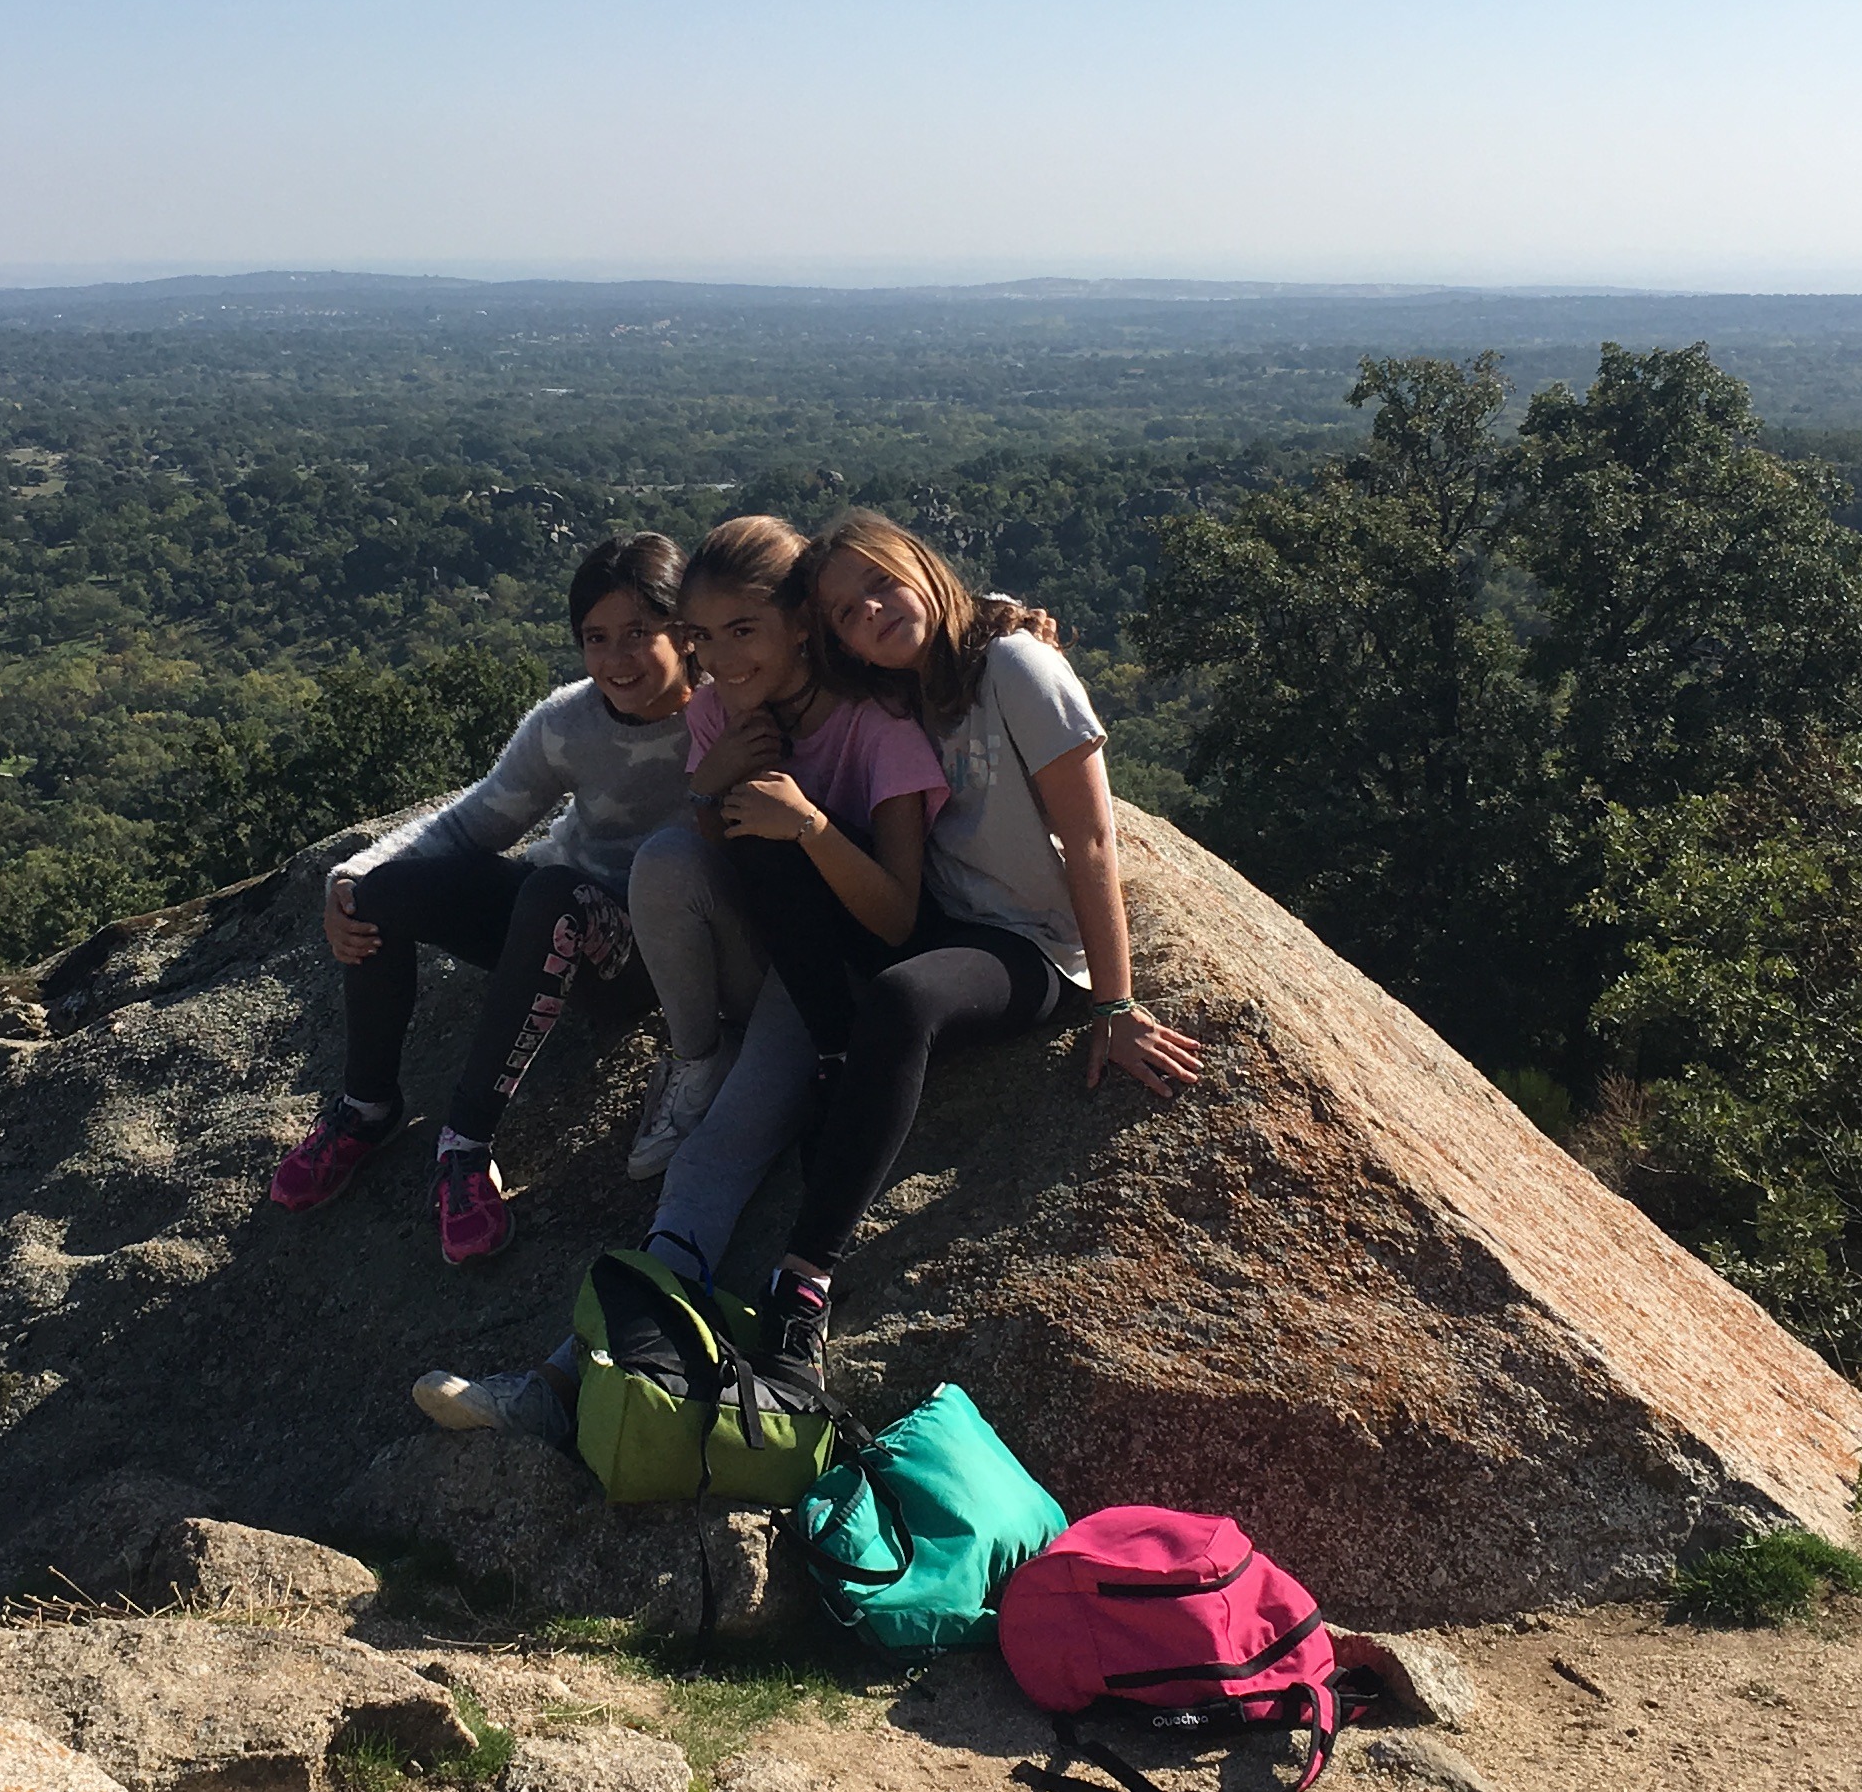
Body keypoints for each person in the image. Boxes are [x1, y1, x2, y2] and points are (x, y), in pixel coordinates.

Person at [411, 512, 946, 1433]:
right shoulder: (717, 712)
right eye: (703, 636)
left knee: (710, 1159)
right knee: (665, 857)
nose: (720, 659)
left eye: (744, 630)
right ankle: (696, 1058)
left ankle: (562, 1385)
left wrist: (809, 825)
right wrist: (713, 782)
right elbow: (712, 861)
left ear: (801, 625)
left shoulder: (877, 725)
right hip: (753, 954)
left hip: (830, 979)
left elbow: (898, 918)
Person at [732, 508, 1205, 1400]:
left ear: (920, 565)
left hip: (1028, 944)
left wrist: (1115, 1004)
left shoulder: (1015, 665)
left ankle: (804, 1281)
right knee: (769, 839)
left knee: (904, 1002)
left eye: (881, 582)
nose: (872, 611)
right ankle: (840, 1063)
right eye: (846, 612)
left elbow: (1093, 839)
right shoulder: (897, 688)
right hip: (937, 916)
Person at [266, 532, 713, 1267]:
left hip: (644, 957)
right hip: (551, 915)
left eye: (639, 631)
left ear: (685, 631)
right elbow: (474, 823)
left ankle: (465, 1145)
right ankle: (366, 1106)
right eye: (596, 637)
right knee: (383, 892)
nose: (617, 658)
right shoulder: (569, 722)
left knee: (553, 893)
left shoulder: (725, 718)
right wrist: (353, 876)